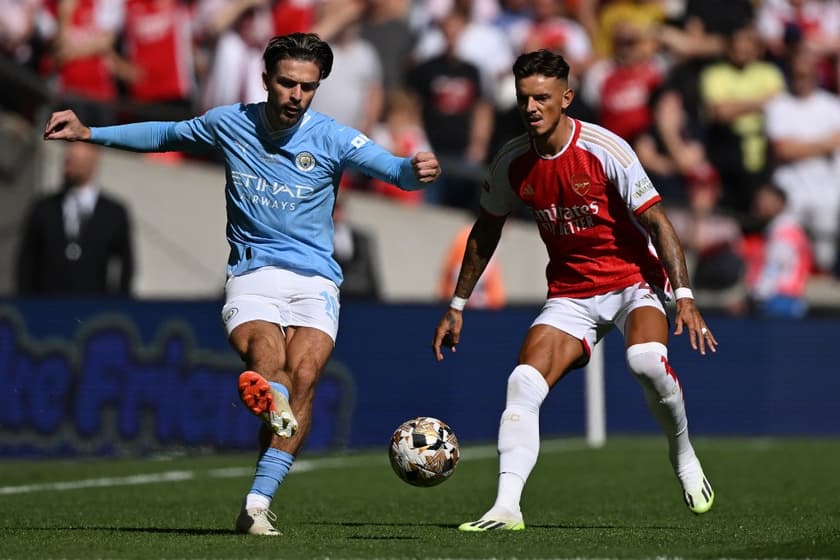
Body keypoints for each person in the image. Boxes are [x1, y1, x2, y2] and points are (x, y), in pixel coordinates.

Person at [43, 32, 441, 536]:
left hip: (316, 278)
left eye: (307, 87)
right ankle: (269, 398)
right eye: (287, 84)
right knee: (266, 355)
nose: (296, 96)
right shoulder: (230, 123)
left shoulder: (332, 137)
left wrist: (415, 169)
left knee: (306, 374)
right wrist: (90, 132)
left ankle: (257, 502)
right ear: (266, 80)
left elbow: (395, 170)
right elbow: (165, 135)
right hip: (254, 273)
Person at [432, 49, 717, 532]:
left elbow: (658, 222)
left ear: (566, 97)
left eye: (542, 98)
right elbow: (486, 230)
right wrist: (457, 304)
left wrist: (684, 295)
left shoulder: (607, 149)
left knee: (645, 361)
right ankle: (506, 508)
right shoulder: (512, 161)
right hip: (570, 293)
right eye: (524, 99)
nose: (531, 108)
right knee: (522, 383)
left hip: (633, 282)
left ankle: (684, 455)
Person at [16, 141, 134, 297]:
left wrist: (119, 303)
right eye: (67, 159)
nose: (68, 165)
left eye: (77, 160)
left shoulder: (113, 213)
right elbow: (27, 260)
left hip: (94, 307)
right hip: (48, 304)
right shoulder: (44, 208)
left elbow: (126, 265)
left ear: (93, 163)